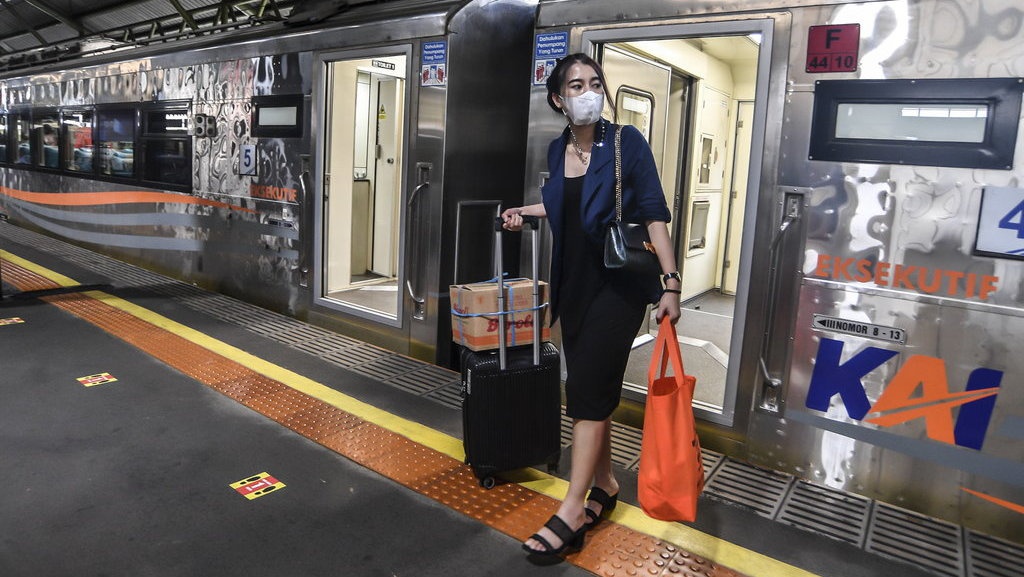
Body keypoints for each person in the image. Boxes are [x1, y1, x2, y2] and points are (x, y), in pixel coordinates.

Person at [501, 53, 681, 558]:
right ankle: (606, 484)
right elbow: (564, 203)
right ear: (559, 99)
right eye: (576, 85)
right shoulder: (558, 148)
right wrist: (525, 211)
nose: (588, 92)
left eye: (595, 82)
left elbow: (653, 215)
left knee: (584, 393)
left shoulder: (626, 142)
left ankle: (572, 508)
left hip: (617, 289)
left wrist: (671, 283)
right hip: (573, 287)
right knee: (588, 388)